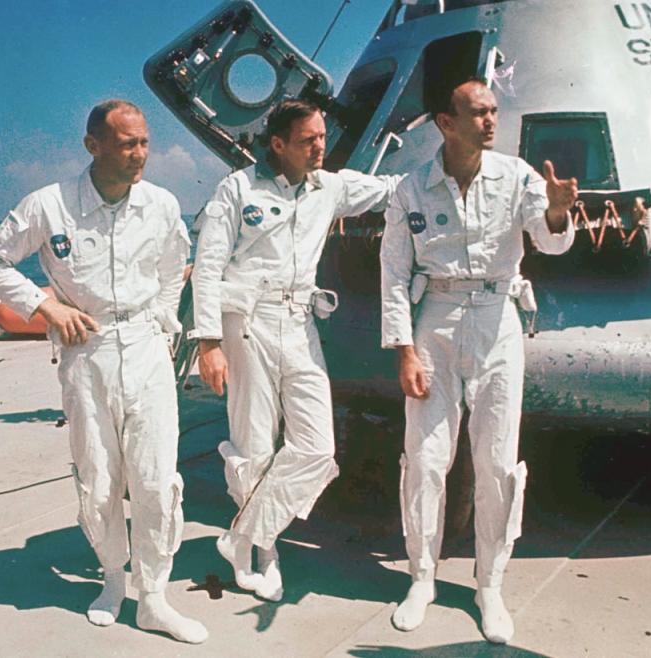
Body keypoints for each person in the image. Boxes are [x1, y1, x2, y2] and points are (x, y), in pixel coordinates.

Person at [0, 100, 207, 644]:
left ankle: (154, 598)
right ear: (93, 145)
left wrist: (167, 323)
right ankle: (112, 581)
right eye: (128, 143)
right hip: (87, 351)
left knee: (154, 479)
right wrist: (44, 305)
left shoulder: (161, 204)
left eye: (144, 142)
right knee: (99, 478)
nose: (140, 154)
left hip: (147, 348)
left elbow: (175, 265)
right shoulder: (49, 206)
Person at [380, 78, 577, 643]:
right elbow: (394, 273)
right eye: (477, 112)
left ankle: (490, 584)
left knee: (495, 461)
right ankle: (422, 577)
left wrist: (559, 213)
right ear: (446, 122)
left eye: (494, 111)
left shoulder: (518, 176)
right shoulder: (411, 189)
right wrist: (404, 349)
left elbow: (550, 240)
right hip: (435, 320)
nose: (491, 121)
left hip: (497, 321)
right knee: (425, 457)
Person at [192, 98, 400, 602]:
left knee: (316, 447)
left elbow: (395, 190)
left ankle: (242, 535)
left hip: (300, 321)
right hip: (248, 322)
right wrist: (208, 343)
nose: (320, 148)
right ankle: (263, 554)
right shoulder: (237, 189)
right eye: (308, 141)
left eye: (322, 138)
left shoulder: (331, 186)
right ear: (278, 144)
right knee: (255, 444)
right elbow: (207, 266)